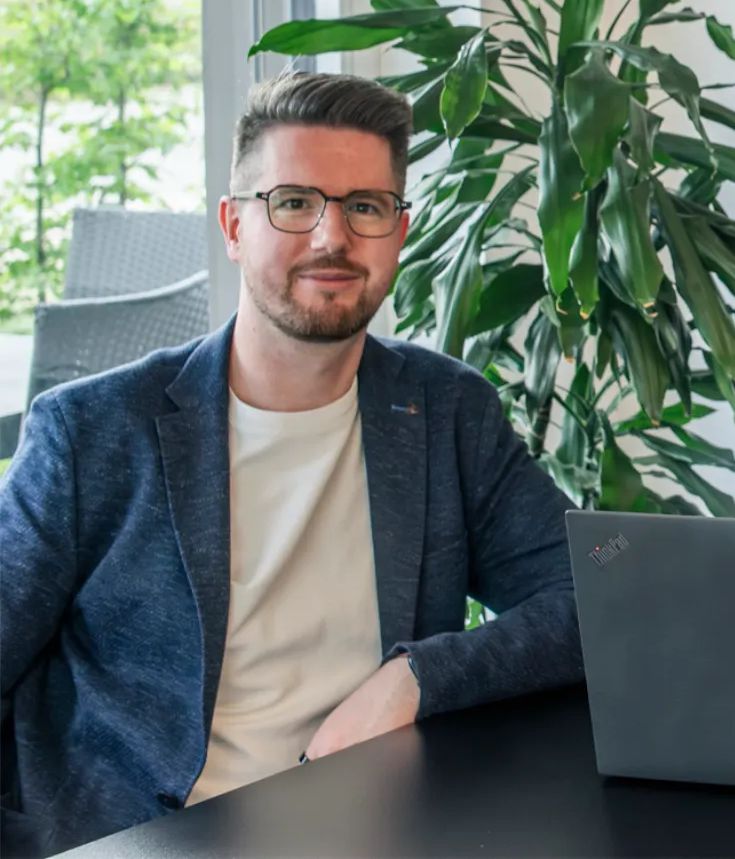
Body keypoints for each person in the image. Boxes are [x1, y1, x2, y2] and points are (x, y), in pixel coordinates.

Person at [0, 72, 583, 854]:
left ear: (399, 231)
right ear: (234, 225)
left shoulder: (447, 412)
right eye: (294, 201)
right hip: (141, 838)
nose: (331, 236)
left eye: (365, 206)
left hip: (371, 829)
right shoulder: (91, 432)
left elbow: (592, 592)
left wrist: (417, 677)